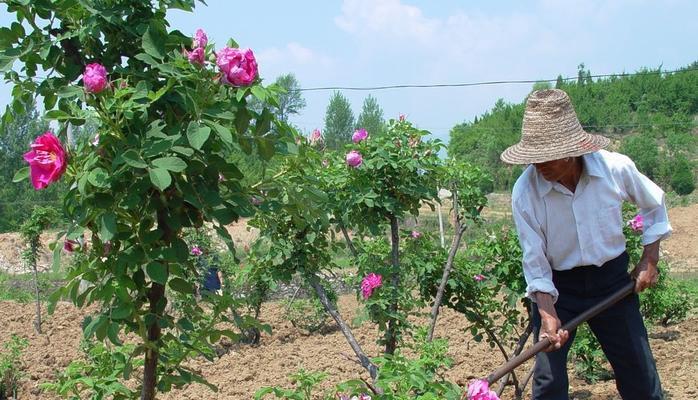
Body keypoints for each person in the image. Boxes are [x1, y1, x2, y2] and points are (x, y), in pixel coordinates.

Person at [500, 89, 671, 400]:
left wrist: (650, 258)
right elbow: (534, 259)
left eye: (545, 156)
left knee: (639, 376)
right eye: (533, 157)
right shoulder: (525, 191)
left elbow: (654, 204)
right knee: (548, 383)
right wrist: (547, 310)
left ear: (571, 150)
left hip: (612, 281)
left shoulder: (614, 169)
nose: (538, 165)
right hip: (557, 288)